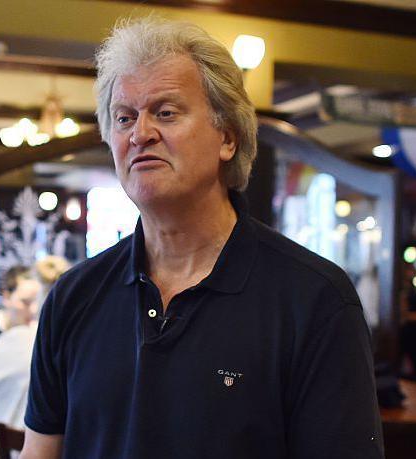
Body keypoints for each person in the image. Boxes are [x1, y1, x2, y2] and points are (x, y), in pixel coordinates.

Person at [21, 18, 383, 459]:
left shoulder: (314, 299)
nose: (140, 134)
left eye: (166, 112)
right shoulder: (73, 297)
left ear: (227, 137)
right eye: (124, 117)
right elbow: (40, 451)